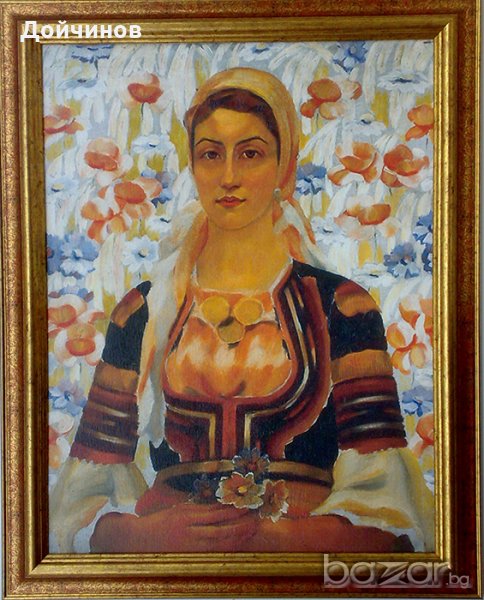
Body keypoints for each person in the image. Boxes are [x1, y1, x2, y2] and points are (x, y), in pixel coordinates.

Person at [50, 67, 434, 553]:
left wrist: (278, 539)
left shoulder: (342, 308)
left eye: (250, 153)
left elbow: (392, 514)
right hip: (172, 571)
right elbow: (79, 506)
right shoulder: (142, 312)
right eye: (211, 154)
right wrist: (151, 536)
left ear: (285, 164)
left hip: (301, 567)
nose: (228, 177)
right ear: (192, 164)